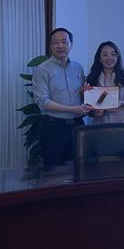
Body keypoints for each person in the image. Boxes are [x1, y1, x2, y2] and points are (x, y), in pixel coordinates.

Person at [32, 28, 92, 167]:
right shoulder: (42, 70)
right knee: (53, 171)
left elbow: (81, 95)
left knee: (78, 169)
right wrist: (73, 109)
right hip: (54, 128)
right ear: (50, 46)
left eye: (64, 42)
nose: (60, 46)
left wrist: (85, 94)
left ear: (71, 44)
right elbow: (43, 102)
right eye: (55, 42)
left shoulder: (78, 68)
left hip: (77, 126)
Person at [86, 41, 124, 124]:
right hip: (99, 126)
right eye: (105, 55)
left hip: (123, 126)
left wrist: (120, 103)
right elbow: (88, 110)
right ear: (99, 59)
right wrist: (94, 112)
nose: (109, 58)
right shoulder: (91, 78)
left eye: (113, 54)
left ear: (117, 58)